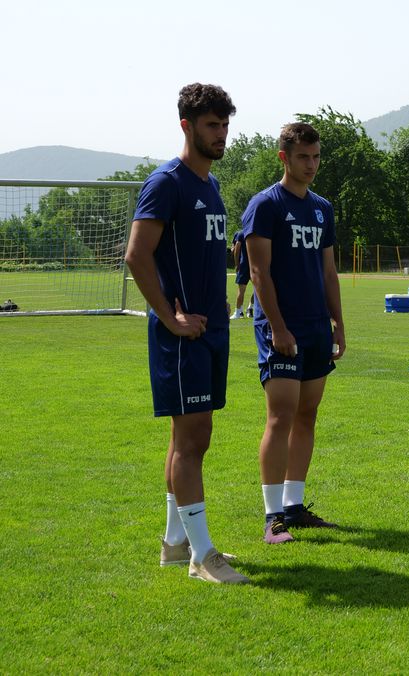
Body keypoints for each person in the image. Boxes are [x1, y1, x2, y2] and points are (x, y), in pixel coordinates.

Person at [124, 83, 248, 584]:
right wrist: (170, 317)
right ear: (187, 126)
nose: (220, 135)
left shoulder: (211, 186)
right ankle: (203, 556)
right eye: (211, 126)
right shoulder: (166, 182)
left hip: (211, 328)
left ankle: (176, 544)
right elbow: (137, 255)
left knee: (191, 439)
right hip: (182, 335)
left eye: (224, 126)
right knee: (192, 440)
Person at [243, 122, 346, 545]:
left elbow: (328, 271)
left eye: (317, 156)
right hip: (280, 327)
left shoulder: (322, 208)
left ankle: (295, 506)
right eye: (304, 157)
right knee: (281, 415)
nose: (312, 164)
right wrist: (279, 328)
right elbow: (258, 271)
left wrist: (338, 321)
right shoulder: (265, 205)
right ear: (284, 157)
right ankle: (272, 518)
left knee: (307, 414)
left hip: (316, 326)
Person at [229, 228, 253, 319]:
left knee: (241, 290)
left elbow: (236, 250)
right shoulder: (257, 231)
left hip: (244, 266)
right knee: (259, 289)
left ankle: (238, 312)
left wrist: (237, 264)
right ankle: (249, 308)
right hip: (255, 265)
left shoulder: (241, 233)